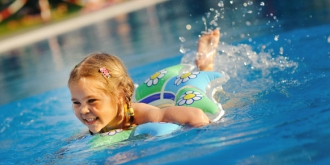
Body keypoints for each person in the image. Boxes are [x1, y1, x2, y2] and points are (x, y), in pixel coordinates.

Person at [68, 29, 220, 135]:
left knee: (207, 92)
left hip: (171, 99)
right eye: (76, 103)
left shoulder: (147, 116)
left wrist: (204, 132)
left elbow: (195, 114)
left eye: (92, 100)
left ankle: (205, 65)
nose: (83, 110)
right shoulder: (96, 124)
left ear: (119, 95)